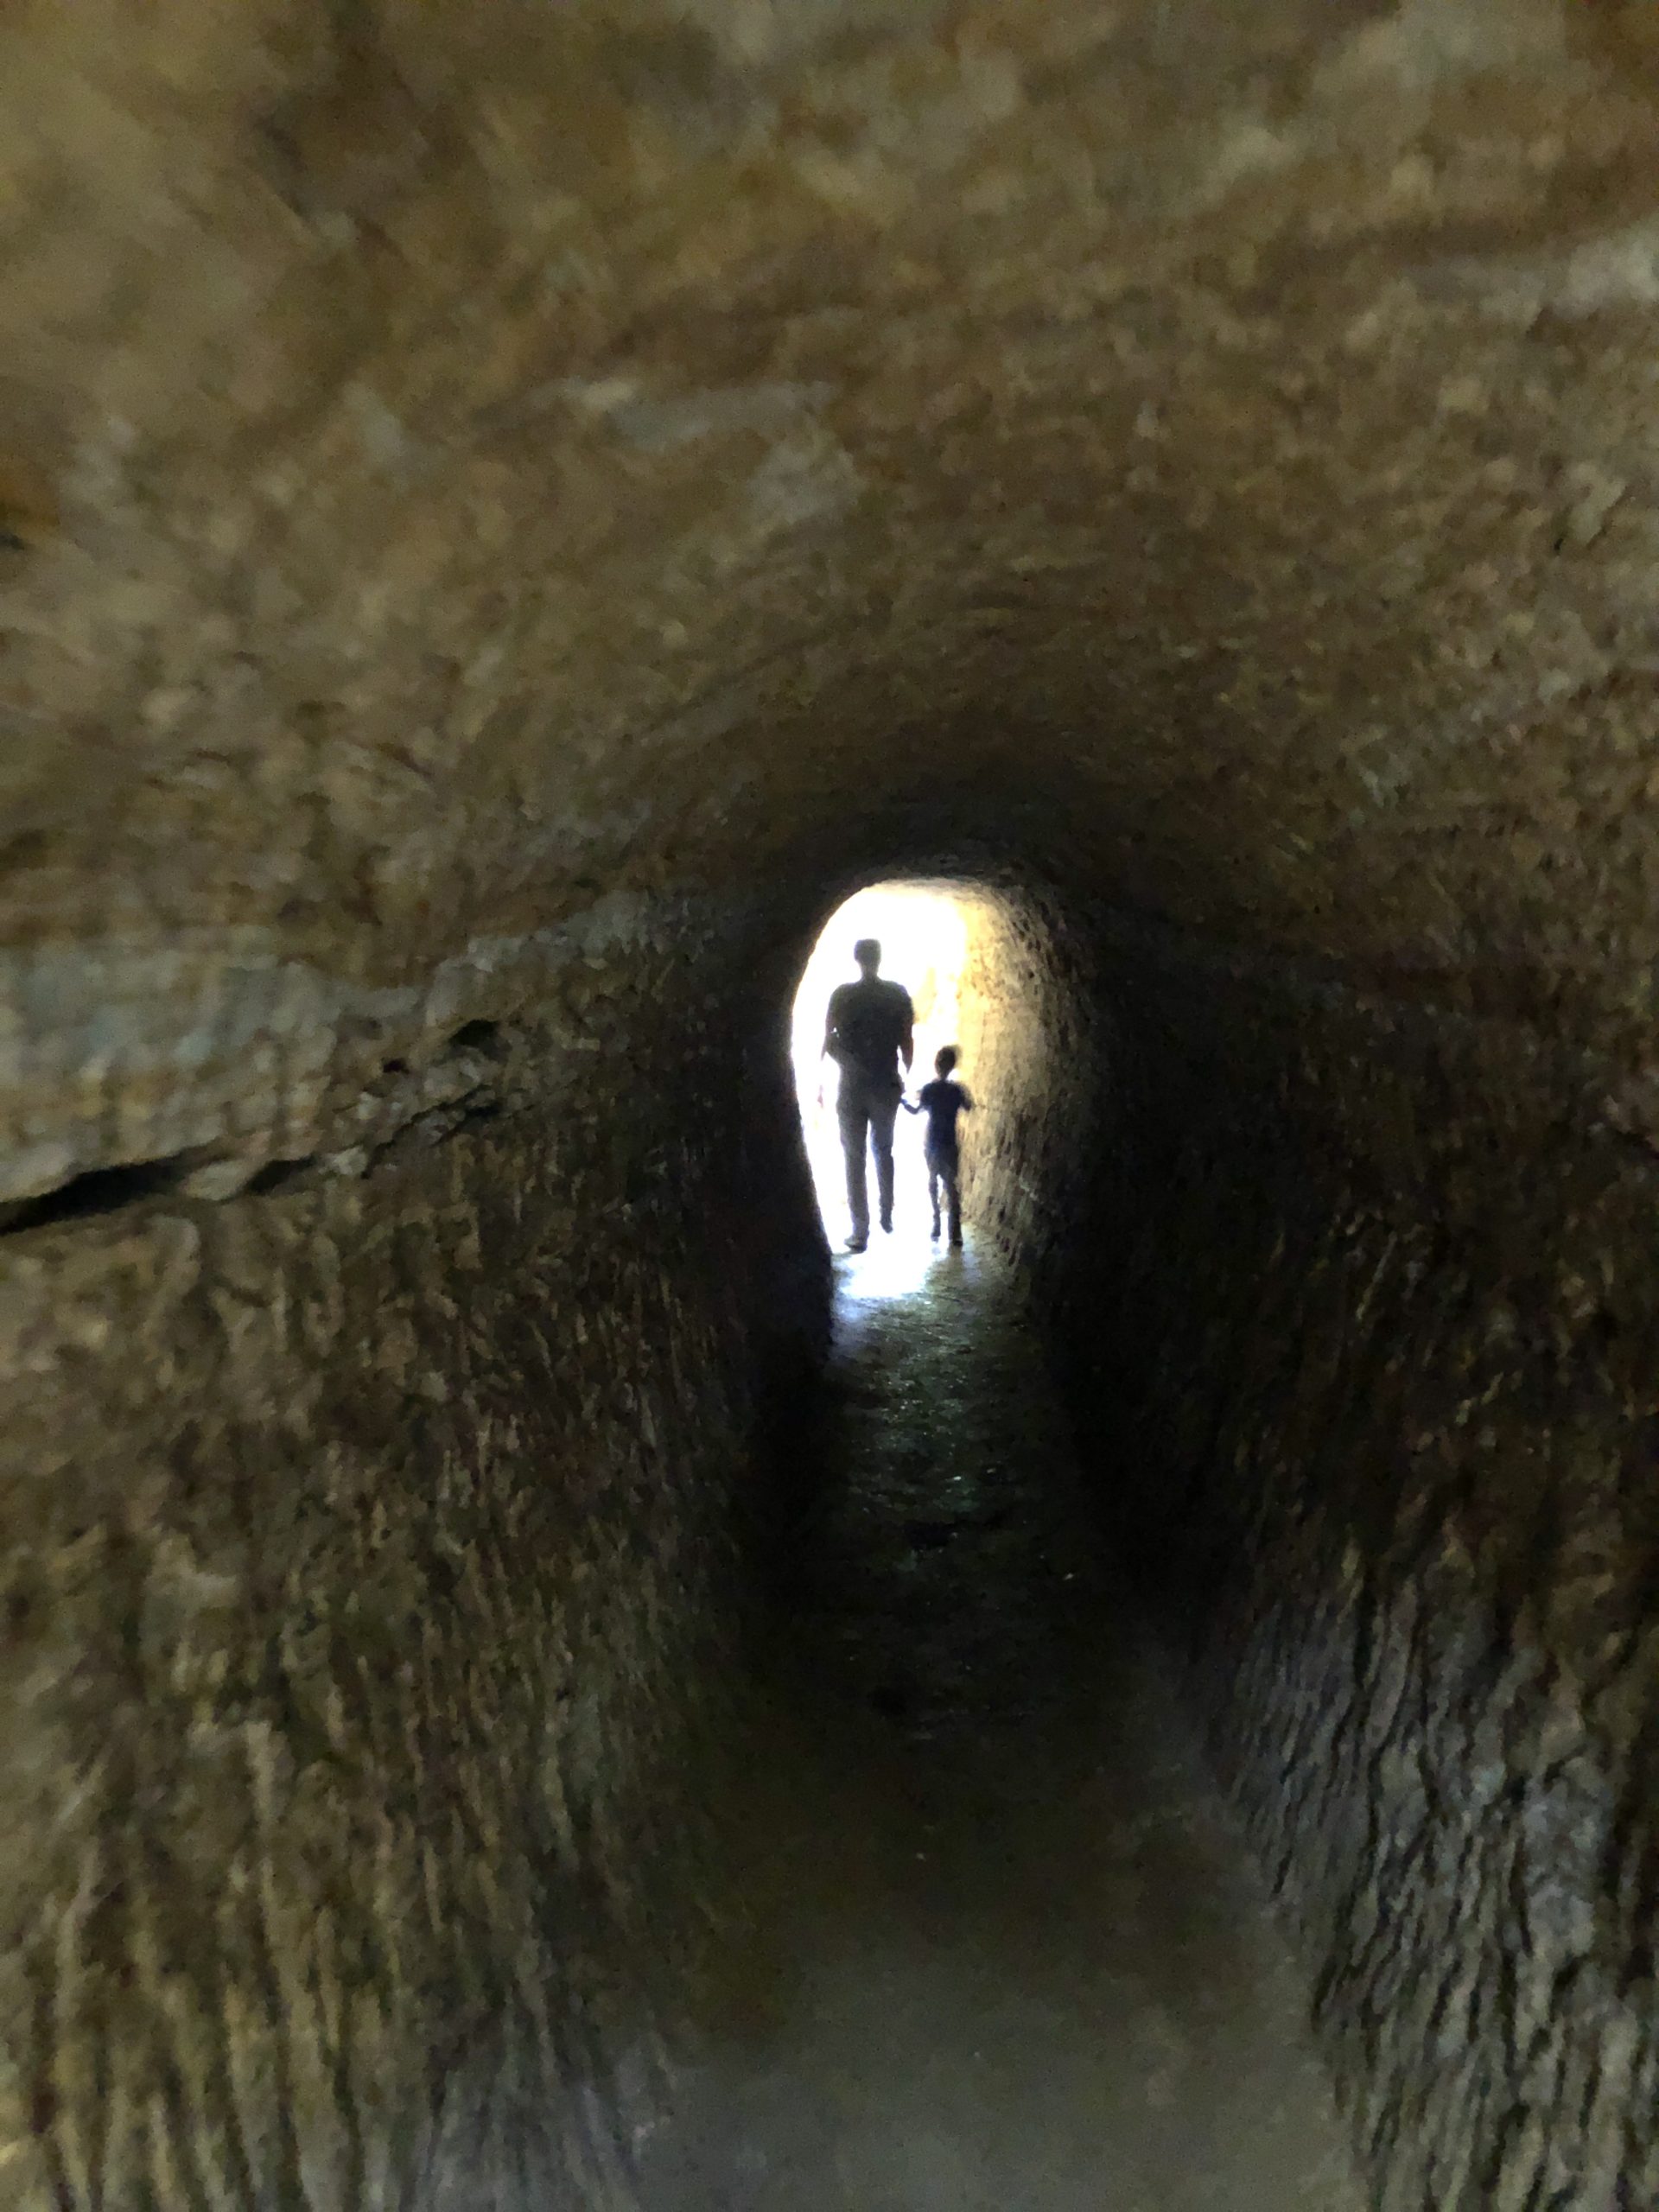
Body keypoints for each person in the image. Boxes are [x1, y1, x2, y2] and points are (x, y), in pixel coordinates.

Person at [822, 938, 914, 1251]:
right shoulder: (897, 994)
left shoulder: (842, 995)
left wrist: (837, 1067)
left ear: (857, 959)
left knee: (854, 1156)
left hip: (852, 1085)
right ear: (879, 958)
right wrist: (905, 1074)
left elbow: (828, 1038)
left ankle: (860, 1230)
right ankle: (886, 1213)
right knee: (884, 1149)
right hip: (885, 1081)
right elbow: (906, 1040)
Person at [904, 1045, 974, 1247]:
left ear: (936, 1065)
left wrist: (901, 1101)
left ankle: (936, 1223)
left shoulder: (929, 1089)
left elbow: (916, 1110)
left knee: (933, 1181)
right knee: (951, 1185)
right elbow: (969, 1106)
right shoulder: (956, 1090)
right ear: (953, 1066)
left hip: (933, 1142)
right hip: (949, 1141)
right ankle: (955, 1232)